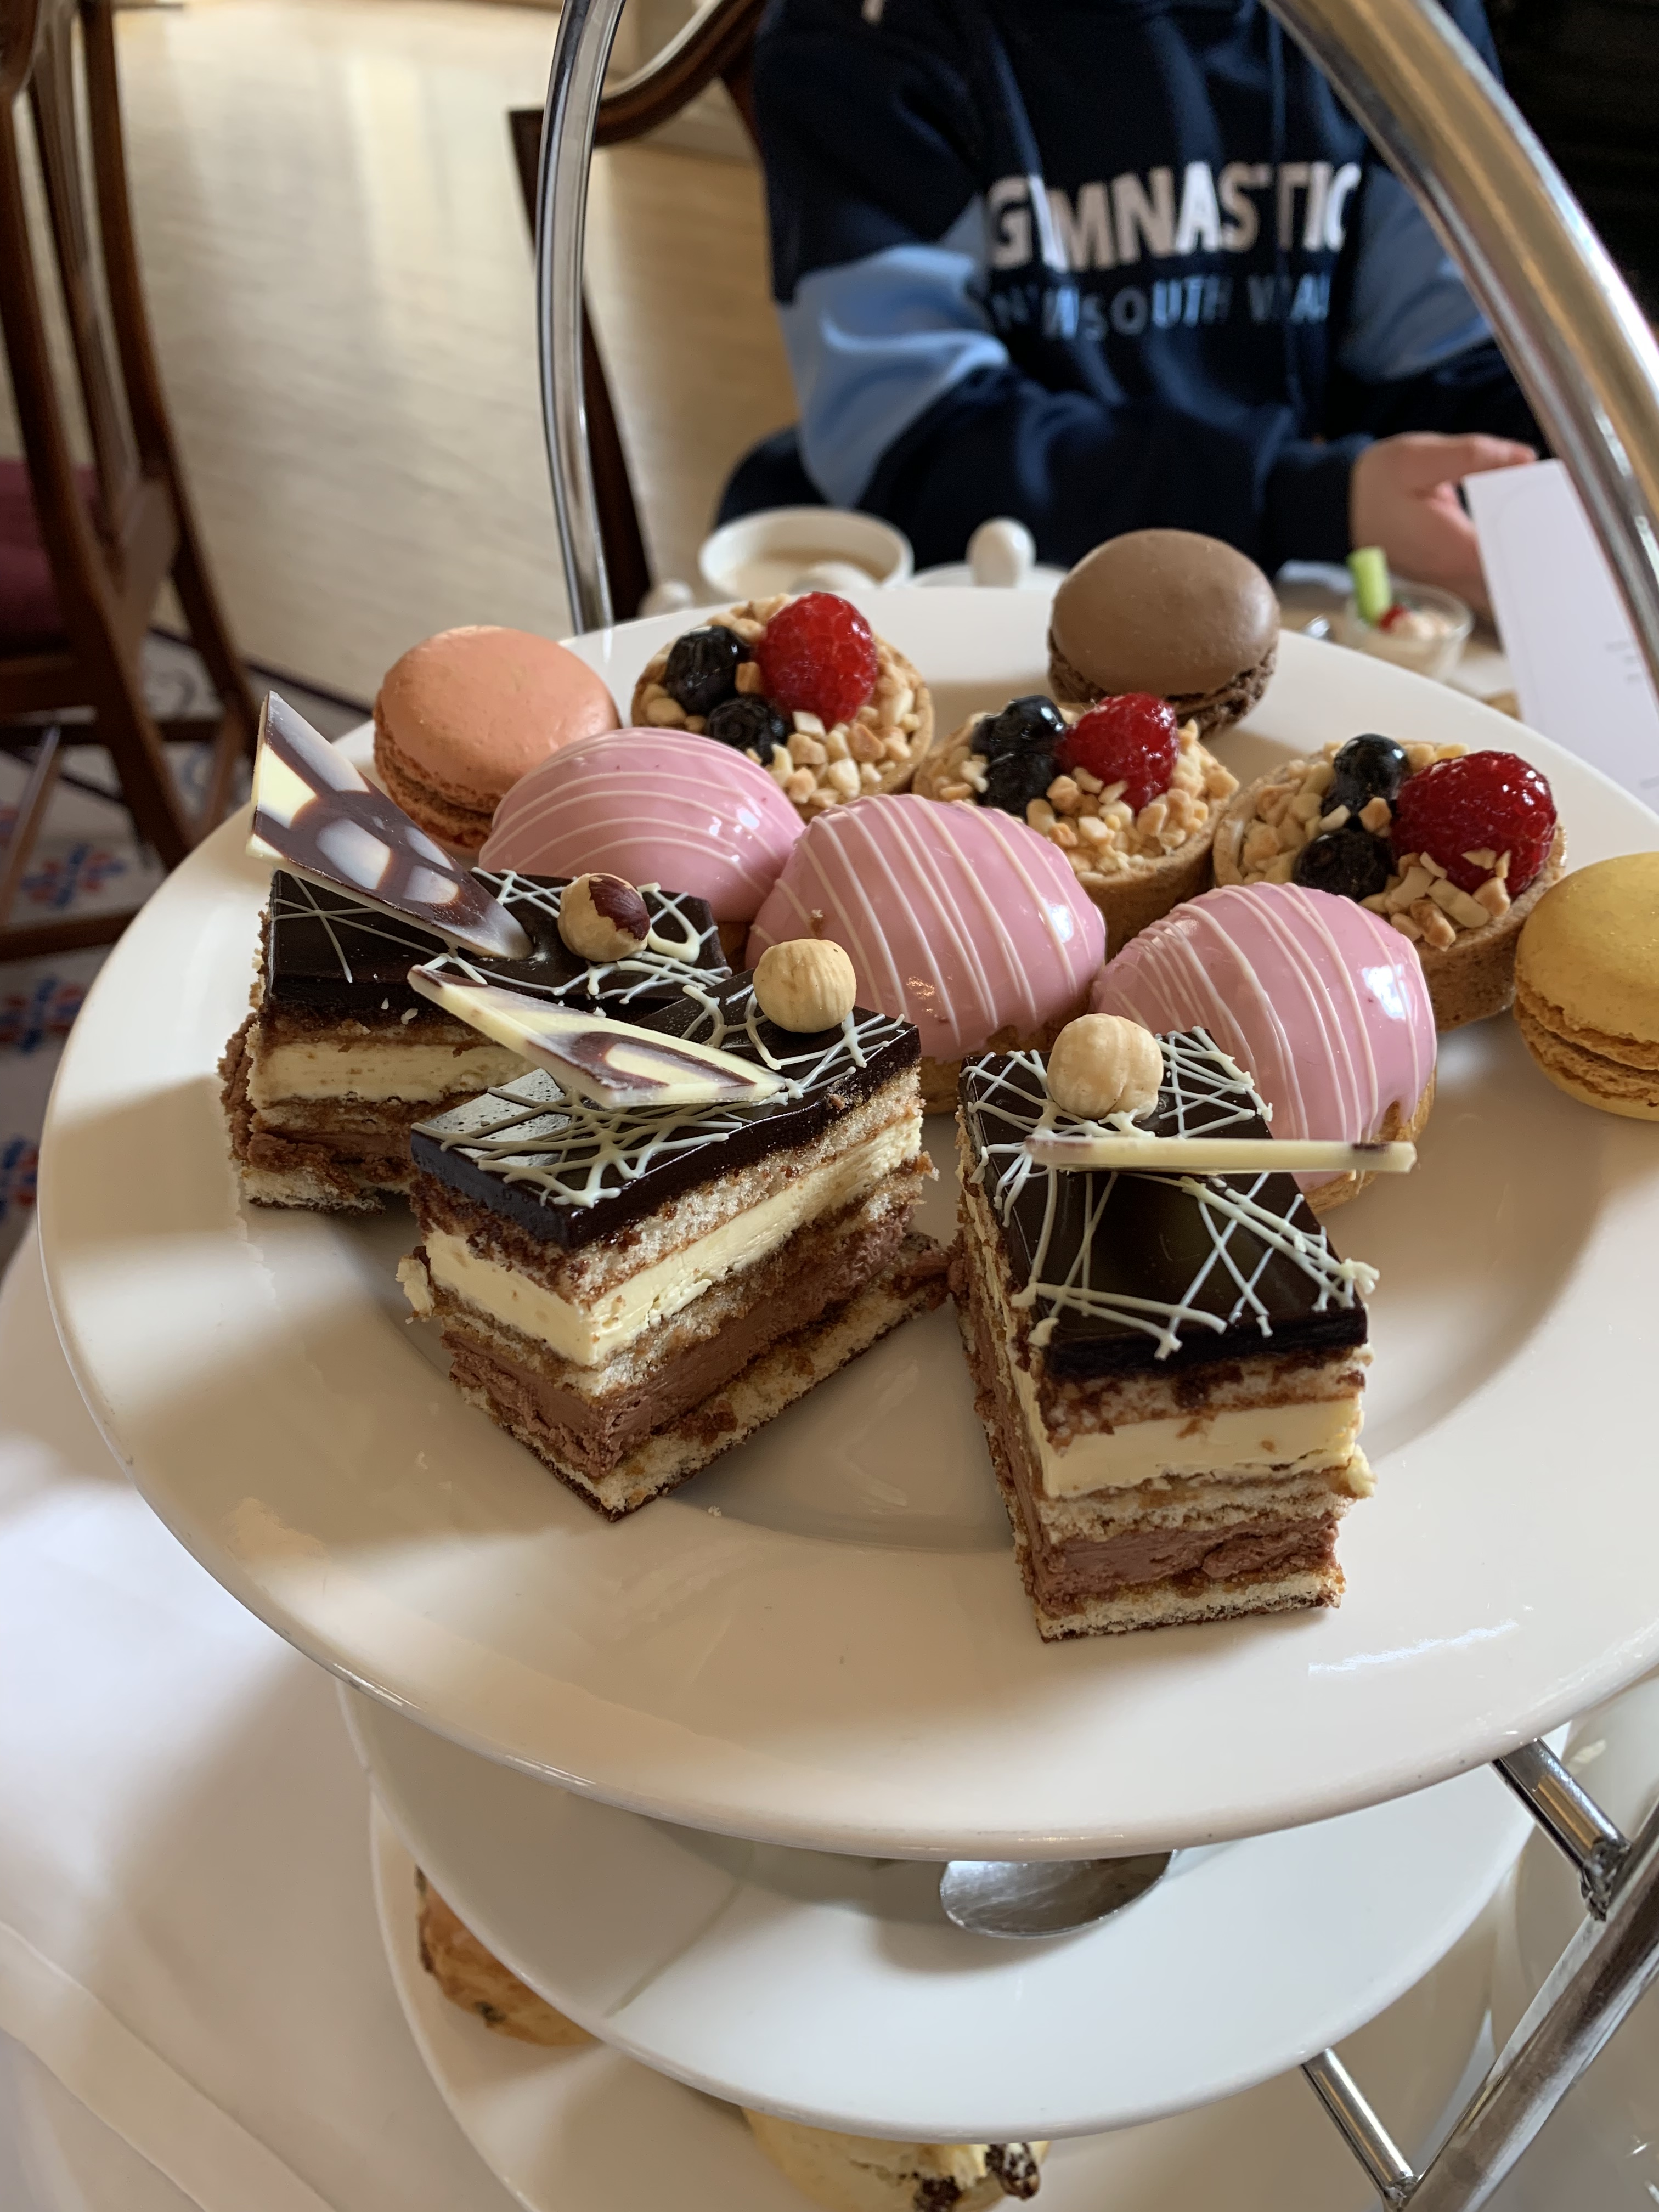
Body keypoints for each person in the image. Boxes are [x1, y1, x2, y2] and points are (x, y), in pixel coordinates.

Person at [723, 0, 1540, 607]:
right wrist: (1310, 498)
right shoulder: (862, 33)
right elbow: (916, 446)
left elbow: (1444, 363)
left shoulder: (1403, 23)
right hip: (980, 590)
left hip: (1293, 577)